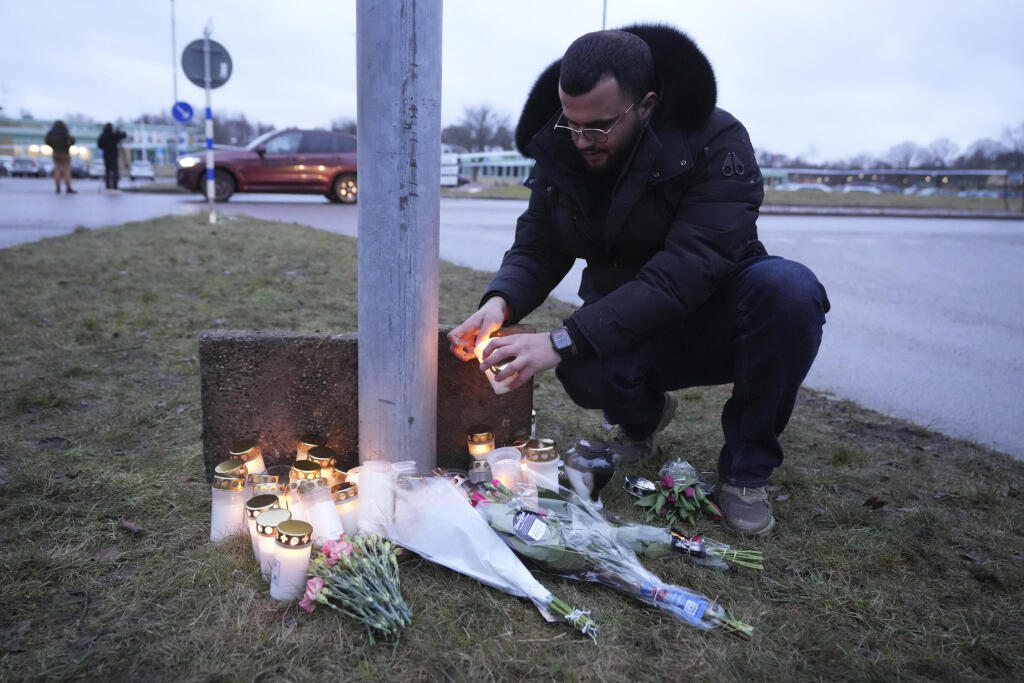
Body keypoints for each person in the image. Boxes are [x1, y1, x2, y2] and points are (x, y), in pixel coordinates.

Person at [448, 26, 830, 537]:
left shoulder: (716, 141)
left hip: (716, 312)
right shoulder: (565, 145)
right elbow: (539, 245)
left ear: (645, 104)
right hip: (628, 315)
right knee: (582, 372)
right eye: (572, 124)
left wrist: (564, 338)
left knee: (790, 293)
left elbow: (686, 270)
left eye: (599, 128)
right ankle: (642, 419)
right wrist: (499, 303)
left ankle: (745, 470)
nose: (582, 141)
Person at [44, 120, 76, 194]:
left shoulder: (51, 133)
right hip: (65, 153)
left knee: (57, 170)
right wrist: (68, 145)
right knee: (67, 170)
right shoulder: (65, 132)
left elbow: (47, 141)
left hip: (55, 153)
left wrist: (53, 146)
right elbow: (72, 141)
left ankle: (57, 187)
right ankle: (68, 187)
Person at [97, 123, 127, 191]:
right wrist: (119, 132)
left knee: (107, 171)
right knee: (115, 170)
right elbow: (124, 135)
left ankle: (108, 185)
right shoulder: (114, 135)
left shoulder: (103, 135)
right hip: (113, 155)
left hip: (106, 156)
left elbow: (99, 145)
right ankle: (115, 185)